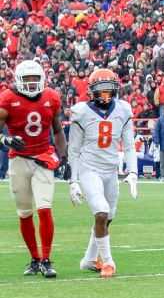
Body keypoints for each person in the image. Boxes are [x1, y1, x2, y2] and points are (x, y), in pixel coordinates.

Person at [66, 68, 138, 279]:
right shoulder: (82, 112)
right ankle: (108, 262)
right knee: (101, 212)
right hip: (90, 169)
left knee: (108, 217)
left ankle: (89, 259)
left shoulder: (123, 110)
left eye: (109, 91)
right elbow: (74, 150)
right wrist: (73, 180)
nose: (105, 96)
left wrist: (132, 172)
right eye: (101, 91)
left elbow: (129, 145)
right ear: (92, 92)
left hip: (111, 170)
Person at [0, 60, 68, 278]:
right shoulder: (8, 98)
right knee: (24, 212)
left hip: (42, 158)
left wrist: (63, 156)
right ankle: (35, 258)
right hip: (18, 159)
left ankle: (47, 260)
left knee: (45, 207)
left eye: (34, 79)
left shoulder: (51, 97)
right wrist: (6, 139)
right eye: (27, 80)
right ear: (19, 80)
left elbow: (57, 130)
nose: (31, 84)